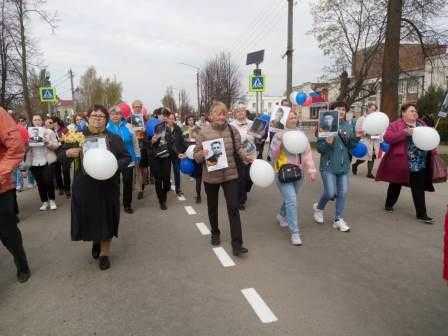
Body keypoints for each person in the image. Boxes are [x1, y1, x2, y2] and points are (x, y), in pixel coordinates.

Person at [63, 105, 131, 270]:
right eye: (94, 115)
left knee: (106, 218)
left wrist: (114, 164)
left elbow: (126, 158)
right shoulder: (77, 137)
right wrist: (67, 153)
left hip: (108, 186)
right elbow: (61, 155)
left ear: (106, 119)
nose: (98, 118)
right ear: (88, 117)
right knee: (91, 217)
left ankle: (104, 254)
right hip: (85, 186)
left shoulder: (114, 138)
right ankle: (96, 241)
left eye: (101, 116)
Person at [194, 101, 251, 257]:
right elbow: (196, 156)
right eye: (218, 113)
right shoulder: (203, 133)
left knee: (233, 207)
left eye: (223, 113)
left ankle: (237, 244)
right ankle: (215, 232)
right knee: (212, 207)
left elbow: (238, 148)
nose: (221, 116)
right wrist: (203, 154)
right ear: (211, 116)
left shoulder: (233, 131)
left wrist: (245, 156)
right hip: (211, 177)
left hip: (230, 174)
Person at [375, 103, 436, 223]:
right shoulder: (396, 124)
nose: (415, 113)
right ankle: (389, 204)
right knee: (395, 184)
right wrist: (405, 133)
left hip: (419, 162)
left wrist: (433, 142)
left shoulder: (421, 124)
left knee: (418, 188)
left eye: (415, 111)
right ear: (403, 113)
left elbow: (429, 138)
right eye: (411, 111)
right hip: (402, 161)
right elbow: (388, 138)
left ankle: (421, 214)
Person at [270, 108, 317, 245]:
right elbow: (273, 155)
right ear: (285, 119)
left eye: (294, 116)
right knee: (291, 200)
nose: (293, 118)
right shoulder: (279, 135)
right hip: (282, 173)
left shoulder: (301, 135)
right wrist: (280, 144)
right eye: (290, 116)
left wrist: (312, 170)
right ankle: (295, 233)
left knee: (291, 198)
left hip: (298, 173)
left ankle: (281, 215)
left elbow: (307, 153)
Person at [313, 102, 359, 232]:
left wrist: (357, 138)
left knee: (343, 192)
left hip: (343, 165)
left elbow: (351, 146)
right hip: (328, 166)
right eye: (338, 109)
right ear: (332, 111)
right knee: (330, 192)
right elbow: (320, 149)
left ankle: (338, 219)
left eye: (344, 109)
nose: (341, 111)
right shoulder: (325, 125)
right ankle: (319, 208)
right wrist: (327, 143)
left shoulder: (349, 126)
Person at [0, 107, 31, 283]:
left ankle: (21, 264)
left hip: (1, 189)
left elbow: (16, 146)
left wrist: (1, 172)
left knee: (8, 233)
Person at [107, 105, 141, 214]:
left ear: (121, 115)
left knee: (127, 182)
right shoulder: (106, 127)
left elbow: (135, 142)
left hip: (128, 159)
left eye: (118, 114)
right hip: (112, 160)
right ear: (110, 116)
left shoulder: (128, 126)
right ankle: (114, 203)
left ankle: (127, 204)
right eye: (113, 114)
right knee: (114, 183)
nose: (115, 116)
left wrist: (137, 155)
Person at [26, 114, 60, 211]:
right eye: (35, 120)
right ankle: (44, 202)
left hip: (46, 160)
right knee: (40, 183)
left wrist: (47, 142)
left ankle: (52, 200)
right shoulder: (28, 133)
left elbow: (56, 145)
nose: (37, 121)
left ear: (42, 121)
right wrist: (27, 144)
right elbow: (24, 148)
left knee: (48, 181)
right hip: (34, 162)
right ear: (32, 121)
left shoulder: (48, 132)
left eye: (39, 119)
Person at [231, 105, 255, 210]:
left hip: (251, 153)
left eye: (242, 111)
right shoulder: (231, 125)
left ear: (246, 112)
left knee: (250, 178)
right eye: (238, 111)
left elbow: (258, 136)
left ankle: (244, 191)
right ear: (235, 114)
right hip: (238, 155)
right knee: (241, 178)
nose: (240, 113)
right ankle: (241, 200)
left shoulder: (252, 123)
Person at [147, 108, 172, 210]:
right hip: (155, 157)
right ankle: (161, 200)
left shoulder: (169, 128)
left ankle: (165, 191)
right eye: (162, 115)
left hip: (166, 156)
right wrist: (152, 141)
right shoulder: (150, 126)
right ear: (158, 115)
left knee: (166, 180)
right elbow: (145, 143)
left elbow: (173, 141)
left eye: (166, 115)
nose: (164, 117)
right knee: (158, 179)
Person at [352, 103, 380, 178]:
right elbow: (357, 130)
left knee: (372, 157)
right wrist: (366, 134)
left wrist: (378, 135)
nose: (374, 111)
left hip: (374, 140)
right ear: (368, 108)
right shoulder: (362, 119)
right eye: (372, 109)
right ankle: (355, 165)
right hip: (365, 141)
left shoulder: (375, 119)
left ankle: (369, 173)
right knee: (364, 157)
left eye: (375, 110)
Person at [131, 100, 149, 199]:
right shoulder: (129, 119)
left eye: (139, 107)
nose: (137, 108)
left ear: (141, 108)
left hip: (144, 145)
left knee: (145, 170)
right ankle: (140, 189)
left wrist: (145, 129)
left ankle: (143, 183)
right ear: (133, 108)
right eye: (135, 107)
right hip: (135, 145)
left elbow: (150, 131)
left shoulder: (145, 119)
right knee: (138, 168)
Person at [166, 112, 187, 196]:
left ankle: (178, 189)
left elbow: (182, 140)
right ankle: (167, 186)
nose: (171, 120)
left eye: (173, 118)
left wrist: (182, 151)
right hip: (167, 154)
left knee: (177, 172)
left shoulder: (177, 128)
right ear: (166, 119)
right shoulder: (163, 128)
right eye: (170, 118)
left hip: (176, 154)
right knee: (166, 172)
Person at [183, 115, 203, 203]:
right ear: (187, 121)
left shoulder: (198, 128)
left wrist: (195, 136)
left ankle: (198, 195)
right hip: (189, 154)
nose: (191, 121)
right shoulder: (183, 129)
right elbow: (183, 140)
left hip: (197, 153)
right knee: (194, 173)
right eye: (189, 120)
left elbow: (202, 139)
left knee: (199, 176)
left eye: (192, 120)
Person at [52, 117, 71, 198]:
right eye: (51, 123)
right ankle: (60, 187)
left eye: (53, 122)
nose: (52, 124)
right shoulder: (50, 131)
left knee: (65, 171)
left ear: (57, 122)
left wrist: (62, 140)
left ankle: (67, 189)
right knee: (57, 172)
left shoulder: (65, 129)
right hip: (54, 153)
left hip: (64, 152)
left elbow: (70, 140)